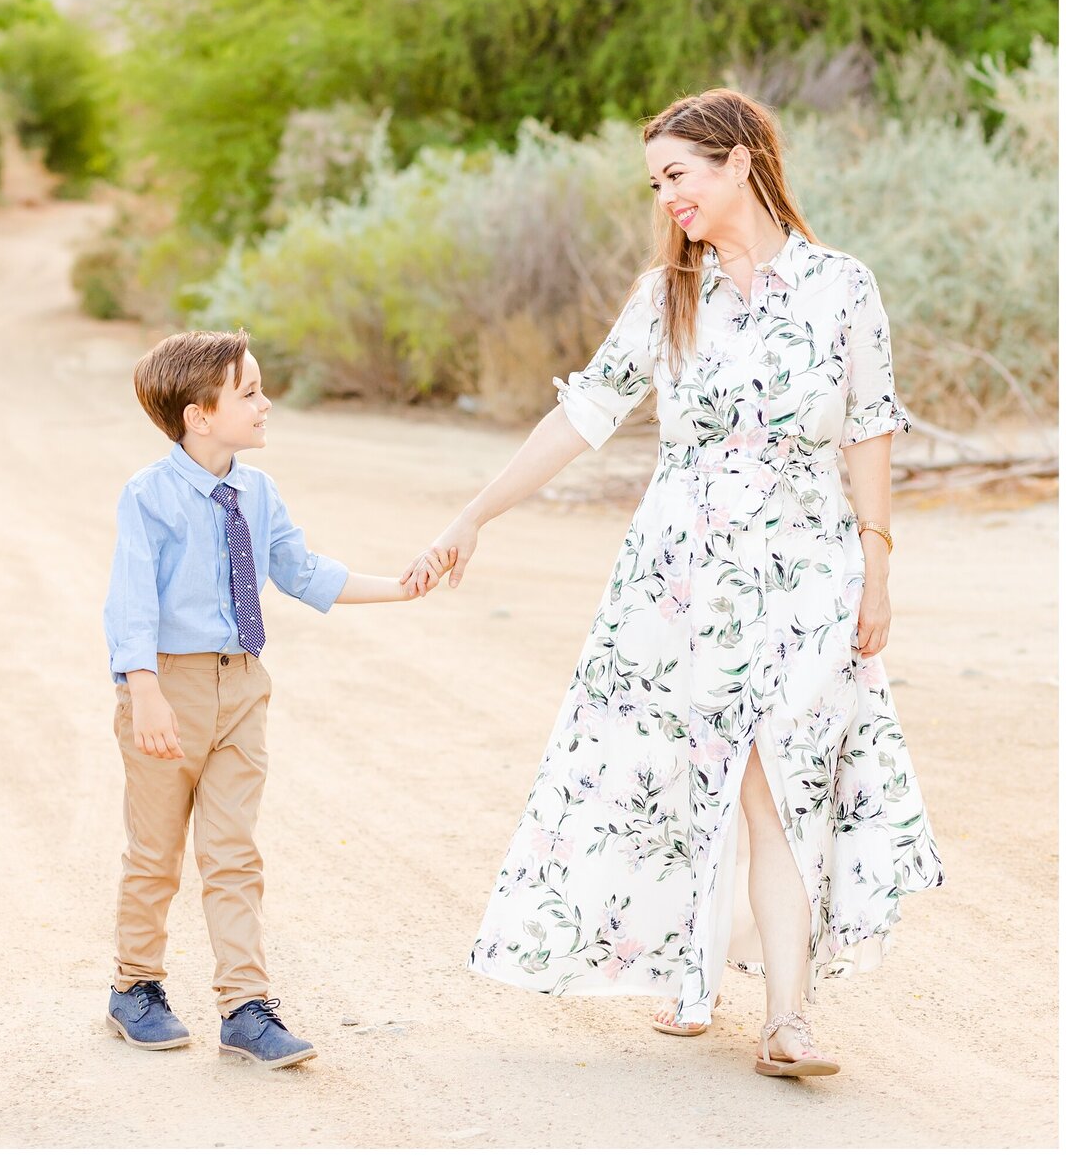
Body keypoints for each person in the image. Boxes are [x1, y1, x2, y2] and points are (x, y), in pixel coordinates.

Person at [404, 88, 943, 1081]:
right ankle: (715, 983)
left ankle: (786, 1016)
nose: (667, 198)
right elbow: (580, 417)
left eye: (679, 174)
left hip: (806, 569)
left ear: (739, 159)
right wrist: (473, 514)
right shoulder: (668, 295)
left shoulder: (841, 286)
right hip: (683, 576)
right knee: (711, 769)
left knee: (788, 774)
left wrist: (877, 566)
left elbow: (871, 425)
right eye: (656, 183)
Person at [104, 327, 433, 1067]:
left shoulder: (257, 490)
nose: (266, 401)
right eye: (249, 391)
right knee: (157, 854)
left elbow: (302, 570)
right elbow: (130, 603)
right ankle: (136, 986)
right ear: (199, 414)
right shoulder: (148, 497)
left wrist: (400, 586)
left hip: (243, 685)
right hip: (167, 684)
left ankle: (245, 1007)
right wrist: (145, 691)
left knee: (232, 854)